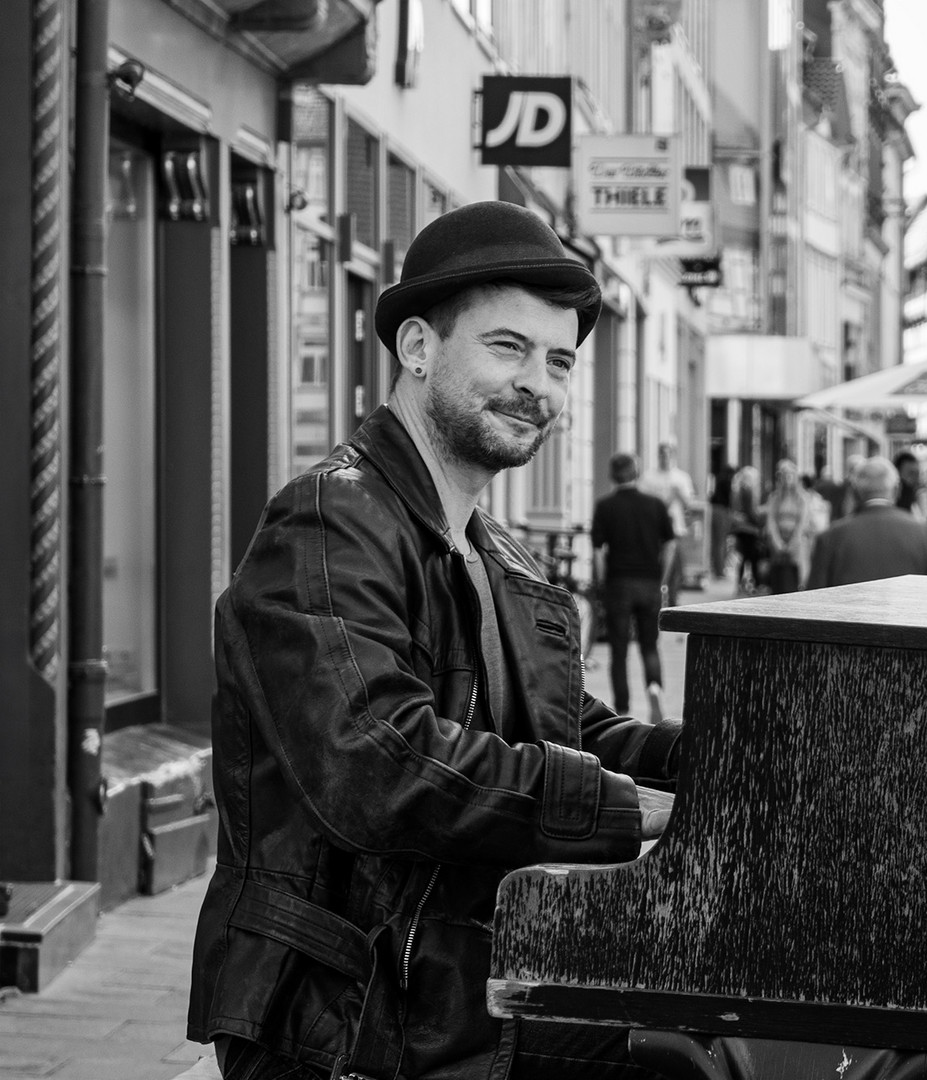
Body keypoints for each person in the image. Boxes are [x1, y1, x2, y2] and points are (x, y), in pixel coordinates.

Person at [188, 201, 681, 1080]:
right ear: (417, 348)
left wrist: (736, 760)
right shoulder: (332, 518)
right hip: (342, 1017)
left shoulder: (494, 553)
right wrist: (624, 808)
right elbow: (379, 760)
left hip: (448, 991)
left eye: (559, 361)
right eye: (508, 347)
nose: (540, 383)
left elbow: (566, 729)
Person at [592, 451, 677, 722]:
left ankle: (623, 709)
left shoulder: (605, 507)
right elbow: (671, 544)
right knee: (649, 645)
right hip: (649, 582)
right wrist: (662, 579)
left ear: (612, 476)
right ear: (636, 473)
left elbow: (597, 552)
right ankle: (654, 688)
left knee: (618, 650)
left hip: (619, 583)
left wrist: (603, 583)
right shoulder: (655, 504)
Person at [806, 458, 927, 588]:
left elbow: (813, 597)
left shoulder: (830, 537)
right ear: (897, 490)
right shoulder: (926, 534)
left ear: (855, 492)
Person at [641, 440, 696, 605]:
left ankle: (672, 598)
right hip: (654, 528)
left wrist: (680, 495)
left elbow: (690, 504)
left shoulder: (681, 477)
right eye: (662, 454)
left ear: (673, 456)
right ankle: (655, 596)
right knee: (656, 563)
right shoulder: (649, 477)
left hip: (675, 528)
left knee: (675, 567)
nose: (665, 458)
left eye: (668, 454)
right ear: (658, 456)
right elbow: (643, 502)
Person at [763, 458, 814, 593]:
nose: (787, 479)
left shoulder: (802, 498)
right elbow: (771, 521)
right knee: (778, 578)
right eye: (784, 476)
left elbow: (803, 522)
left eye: (790, 475)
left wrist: (793, 542)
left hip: (796, 544)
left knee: (793, 578)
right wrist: (777, 541)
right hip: (778, 543)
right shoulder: (775, 497)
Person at [729, 465, 766, 594]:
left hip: (740, 528)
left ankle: (740, 583)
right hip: (749, 529)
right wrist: (759, 522)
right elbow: (751, 511)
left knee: (743, 557)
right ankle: (755, 583)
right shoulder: (748, 490)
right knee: (752, 557)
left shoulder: (737, 489)